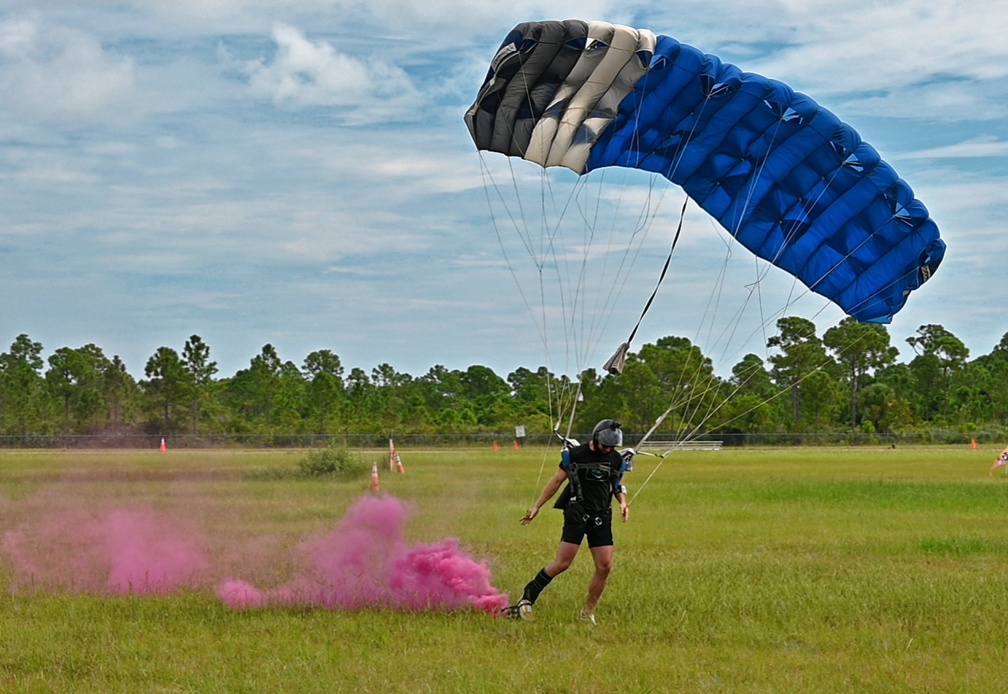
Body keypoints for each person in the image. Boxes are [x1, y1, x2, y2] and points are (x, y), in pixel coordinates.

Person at [507, 419, 629, 624]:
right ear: (596, 438)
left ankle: (588, 613)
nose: (608, 450)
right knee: (563, 563)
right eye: (605, 445)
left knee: (605, 566)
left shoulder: (615, 459)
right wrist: (537, 506)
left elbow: (617, 484)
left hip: (601, 515)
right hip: (577, 512)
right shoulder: (576, 455)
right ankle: (528, 596)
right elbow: (556, 481)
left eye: (612, 447)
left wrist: (623, 503)